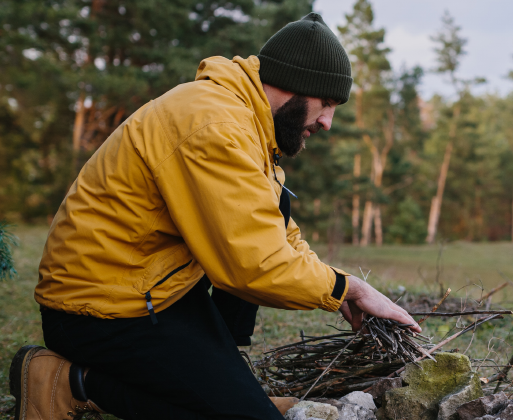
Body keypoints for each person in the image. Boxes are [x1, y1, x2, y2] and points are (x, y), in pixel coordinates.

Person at [8, 13, 419, 420]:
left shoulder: (245, 119)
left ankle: (228, 390)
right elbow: (254, 264)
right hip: (96, 309)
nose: (327, 122)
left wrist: (338, 280)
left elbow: (271, 228)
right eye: (326, 103)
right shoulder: (214, 125)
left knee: (279, 206)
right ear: (295, 84)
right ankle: (67, 382)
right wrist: (347, 290)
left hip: (152, 285)